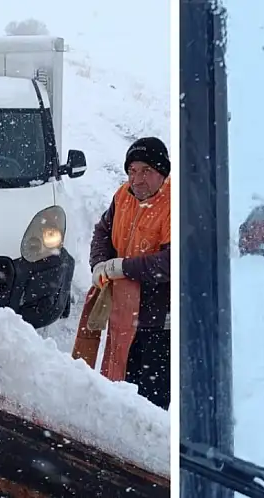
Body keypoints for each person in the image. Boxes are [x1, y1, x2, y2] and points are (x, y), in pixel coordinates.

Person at [77, 136, 171, 410]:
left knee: (152, 398)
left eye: (146, 171)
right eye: (132, 171)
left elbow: (169, 262)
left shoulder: (172, 204)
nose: (137, 179)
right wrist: (99, 263)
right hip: (123, 315)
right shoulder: (123, 197)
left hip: (158, 320)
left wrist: (123, 267)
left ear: (161, 173)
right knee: (120, 383)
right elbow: (102, 231)